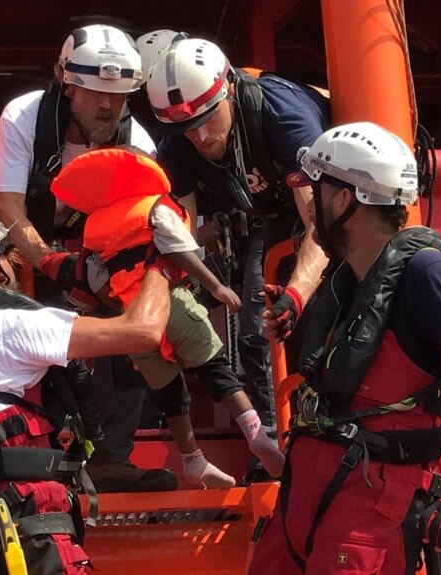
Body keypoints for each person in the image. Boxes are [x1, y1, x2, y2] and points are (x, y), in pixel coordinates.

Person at [246, 122, 441, 574]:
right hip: (306, 499)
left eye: (318, 192)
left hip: (371, 509)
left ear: (345, 200)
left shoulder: (431, 277)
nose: (311, 208)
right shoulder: (350, 280)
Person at [0, 211, 173, 575]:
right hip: (27, 545)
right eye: (8, 259)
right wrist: (162, 265)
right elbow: (142, 331)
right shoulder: (0, 328)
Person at [0, 23, 176, 492]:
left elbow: (144, 224)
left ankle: (110, 455)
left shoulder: (137, 142)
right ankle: (22, 449)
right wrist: (50, 264)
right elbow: (9, 208)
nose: (108, 105)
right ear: (66, 83)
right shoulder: (24, 117)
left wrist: (109, 279)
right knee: (14, 319)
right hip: (7, 238)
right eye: (95, 93)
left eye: (120, 95)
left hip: (83, 245)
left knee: (130, 314)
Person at [145, 39, 331, 472]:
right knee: (253, 331)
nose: (201, 135)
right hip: (262, 213)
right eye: (187, 129)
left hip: (329, 208)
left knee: (317, 320)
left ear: (227, 90)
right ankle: (271, 452)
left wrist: (297, 294)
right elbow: (182, 232)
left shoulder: (282, 114)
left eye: (208, 121)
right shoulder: (179, 140)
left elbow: (322, 223)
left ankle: (323, 433)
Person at [51, 147, 287, 487]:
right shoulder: (155, 207)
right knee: (214, 368)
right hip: (172, 302)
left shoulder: (96, 227)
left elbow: (95, 282)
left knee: (170, 392)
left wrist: (124, 307)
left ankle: (192, 458)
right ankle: (256, 435)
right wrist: (216, 286)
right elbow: (180, 249)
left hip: (132, 321)